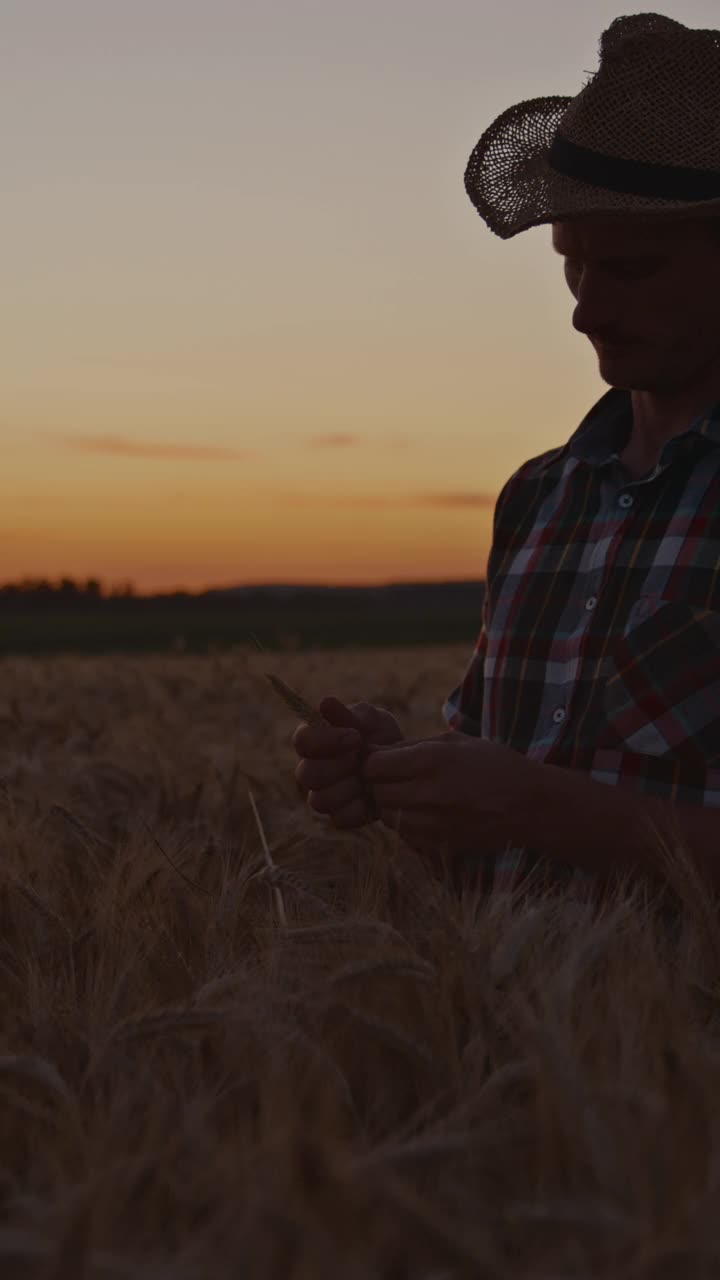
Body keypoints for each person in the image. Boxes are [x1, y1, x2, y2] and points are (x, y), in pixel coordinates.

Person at [293, 12, 720, 905]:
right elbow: (497, 835)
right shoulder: (537, 498)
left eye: (633, 270)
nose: (584, 312)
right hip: (520, 1036)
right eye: (573, 264)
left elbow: (537, 809)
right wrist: (404, 778)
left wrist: (545, 811)